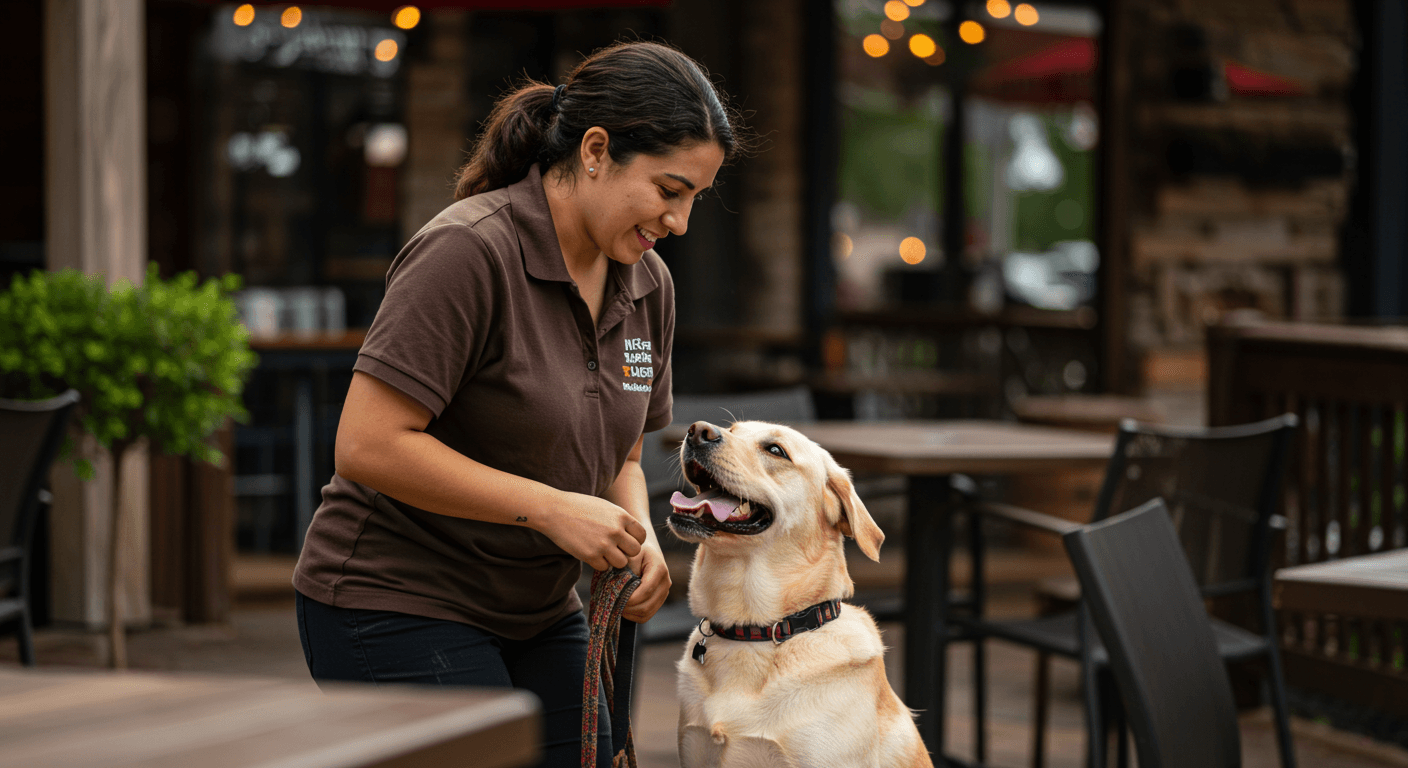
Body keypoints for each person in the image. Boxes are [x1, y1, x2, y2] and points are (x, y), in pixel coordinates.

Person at [292, 40, 743, 767]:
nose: (681, 221)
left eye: (694, 197)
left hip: (535, 609)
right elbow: (368, 444)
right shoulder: (468, 252)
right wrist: (553, 507)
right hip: (394, 599)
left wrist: (637, 534)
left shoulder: (648, 284)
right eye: (668, 190)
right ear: (595, 151)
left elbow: (620, 454)